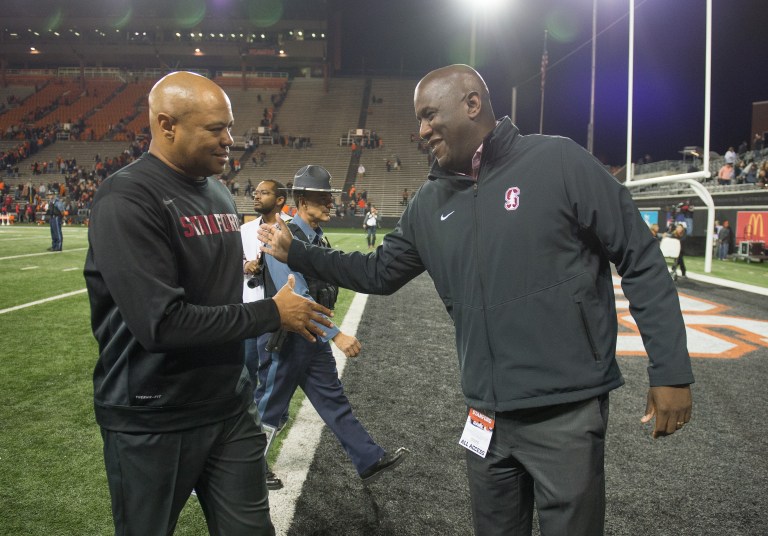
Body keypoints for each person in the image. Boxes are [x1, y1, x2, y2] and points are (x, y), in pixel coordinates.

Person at [258, 64, 694, 536]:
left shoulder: (558, 162)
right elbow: (378, 272)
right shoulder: (429, 202)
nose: (421, 130)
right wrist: (296, 251)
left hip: (564, 410)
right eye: (419, 119)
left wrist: (669, 370)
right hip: (485, 415)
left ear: (472, 103)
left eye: (429, 115)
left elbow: (641, 256)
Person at [83, 71, 334, 536]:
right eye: (216, 129)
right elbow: (161, 324)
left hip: (227, 404)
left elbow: (214, 284)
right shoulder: (127, 198)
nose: (230, 140)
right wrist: (271, 313)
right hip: (153, 413)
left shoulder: (217, 191)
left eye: (230, 127)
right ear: (167, 125)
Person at [256, 165, 408, 486]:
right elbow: (297, 299)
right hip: (285, 341)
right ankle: (246, 469)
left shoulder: (317, 239)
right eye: (321, 197)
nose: (329, 202)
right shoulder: (281, 236)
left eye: (329, 196)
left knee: (333, 401)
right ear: (301, 200)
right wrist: (337, 335)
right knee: (269, 408)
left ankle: (368, 458)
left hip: (311, 340)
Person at [240, 179, 292, 490]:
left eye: (264, 192)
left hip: (276, 314)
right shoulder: (246, 230)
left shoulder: (290, 229)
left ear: (280, 199)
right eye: (256, 191)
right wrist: (246, 266)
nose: (257, 195)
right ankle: (253, 458)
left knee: (267, 385)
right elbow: (230, 262)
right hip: (248, 312)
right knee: (246, 383)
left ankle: (256, 460)